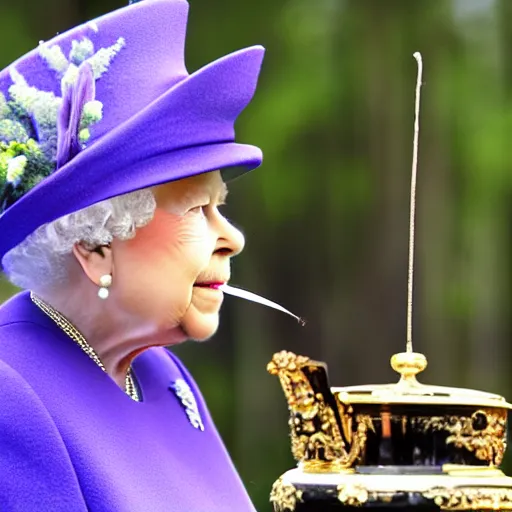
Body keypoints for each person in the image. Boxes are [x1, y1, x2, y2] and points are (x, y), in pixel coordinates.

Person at [0, 0, 265, 509]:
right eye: (197, 210)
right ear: (96, 245)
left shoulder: (160, 373)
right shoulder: (10, 396)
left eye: (220, 207)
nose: (232, 237)